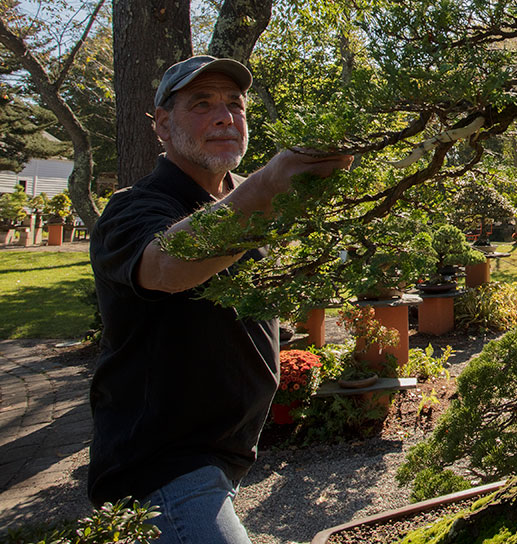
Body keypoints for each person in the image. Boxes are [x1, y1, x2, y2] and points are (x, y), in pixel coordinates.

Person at [87, 55, 352, 544]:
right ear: (163, 125)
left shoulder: (240, 203)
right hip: (161, 464)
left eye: (235, 104)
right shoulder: (135, 207)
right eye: (202, 103)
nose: (225, 116)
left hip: (221, 455)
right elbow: (166, 267)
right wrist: (266, 186)